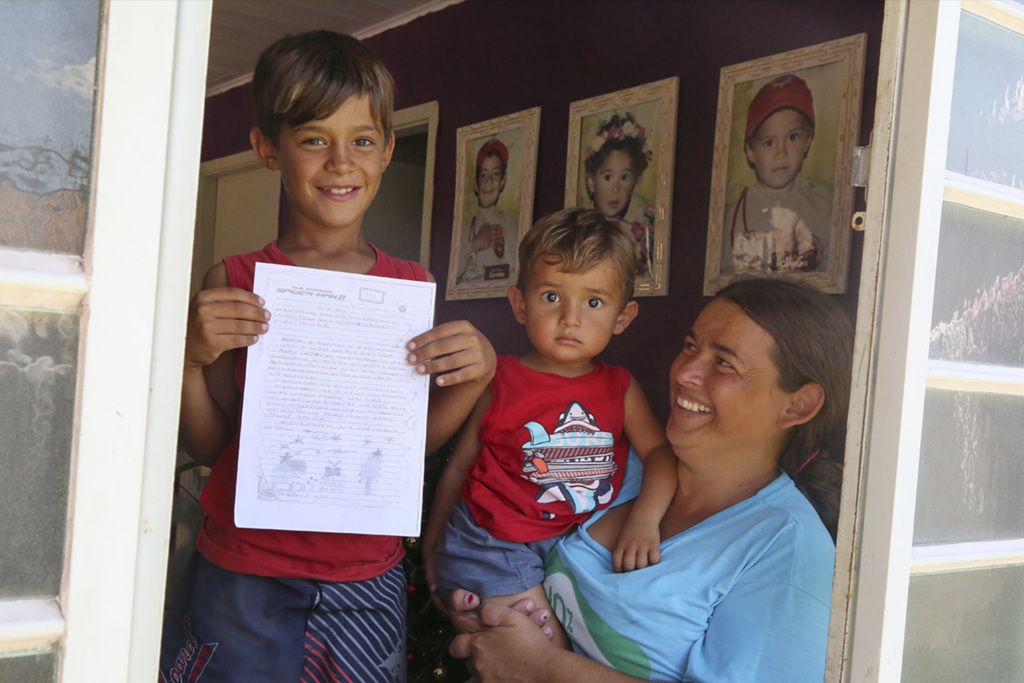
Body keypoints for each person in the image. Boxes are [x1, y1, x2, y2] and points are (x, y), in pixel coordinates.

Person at [160, 31, 495, 683]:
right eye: (314, 138)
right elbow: (213, 446)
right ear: (268, 149)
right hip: (244, 567)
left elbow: (398, 450)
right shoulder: (233, 279)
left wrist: (472, 376)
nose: (342, 162)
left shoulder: (407, 287)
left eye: (362, 140)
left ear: (386, 150)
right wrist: (189, 359)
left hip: (363, 573)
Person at [448, 277, 853, 683]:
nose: (685, 372)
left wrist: (538, 667)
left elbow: (530, 661)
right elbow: (499, 531)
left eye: (724, 362)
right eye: (691, 347)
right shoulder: (623, 465)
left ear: (797, 405)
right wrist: (479, 598)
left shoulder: (788, 548)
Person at [424, 208, 678, 646]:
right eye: (551, 297)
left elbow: (660, 454)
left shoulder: (620, 388)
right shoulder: (498, 378)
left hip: (569, 546)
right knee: (544, 654)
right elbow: (460, 467)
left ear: (623, 316)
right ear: (520, 304)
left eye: (593, 302)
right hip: (493, 545)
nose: (571, 318)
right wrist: (433, 545)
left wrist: (645, 519)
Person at [723, 74, 832, 275]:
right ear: (750, 151)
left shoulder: (824, 205)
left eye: (792, 137)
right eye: (769, 142)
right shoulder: (735, 213)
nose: (781, 152)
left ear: (807, 140)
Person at [584, 112, 657, 277]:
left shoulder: (638, 237)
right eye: (608, 177)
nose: (615, 188)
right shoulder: (580, 237)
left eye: (624, 177)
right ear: (591, 182)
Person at [457, 139, 517, 284]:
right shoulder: (464, 231)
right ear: (475, 183)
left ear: (503, 180)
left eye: (495, 174)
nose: (489, 181)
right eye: (483, 175)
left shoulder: (509, 225)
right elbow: (450, 275)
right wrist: (475, 245)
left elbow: (517, 273)